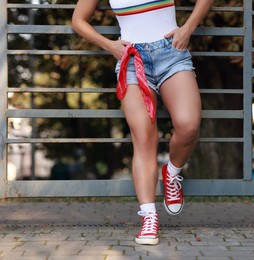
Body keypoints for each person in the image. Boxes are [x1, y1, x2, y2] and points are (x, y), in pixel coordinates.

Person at [72, 0, 212, 245]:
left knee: (189, 125)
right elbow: (78, 20)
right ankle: (149, 217)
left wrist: (188, 27)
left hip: (172, 53)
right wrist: (110, 45)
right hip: (131, 59)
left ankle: (172, 172)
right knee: (144, 138)